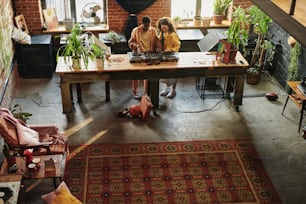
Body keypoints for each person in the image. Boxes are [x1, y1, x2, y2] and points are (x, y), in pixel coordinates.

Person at [128, 16, 160, 99]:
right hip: (138, 54)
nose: (146, 27)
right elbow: (131, 42)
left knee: (147, 75)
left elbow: (156, 41)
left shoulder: (153, 30)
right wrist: (135, 46)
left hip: (150, 53)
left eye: (148, 25)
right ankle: (134, 91)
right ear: (141, 24)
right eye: (145, 26)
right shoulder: (136, 30)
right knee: (136, 74)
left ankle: (146, 93)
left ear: (150, 24)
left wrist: (158, 48)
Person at [156, 17, 181, 98]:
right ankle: (167, 89)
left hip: (172, 56)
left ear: (169, 26)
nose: (163, 28)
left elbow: (177, 45)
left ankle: (173, 90)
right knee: (166, 74)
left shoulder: (172, 34)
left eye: (165, 26)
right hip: (165, 56)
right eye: (162, 26)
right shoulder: (161, 33)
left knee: (173, 74)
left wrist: (170, 51)